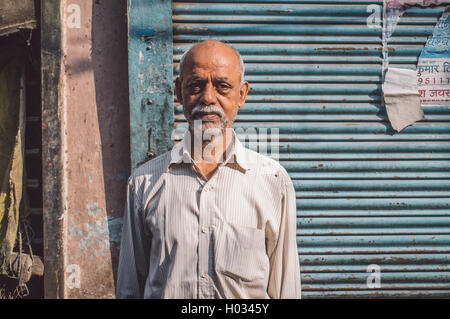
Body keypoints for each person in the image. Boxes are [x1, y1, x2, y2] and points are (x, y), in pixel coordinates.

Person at [116, 40, 301, 299]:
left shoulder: (272, 181)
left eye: (223, 86)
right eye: (195, 85)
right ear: (180, 92)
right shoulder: (144, 183)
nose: (208, 98)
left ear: (242, 94)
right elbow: (129, 289)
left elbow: (285, 288)